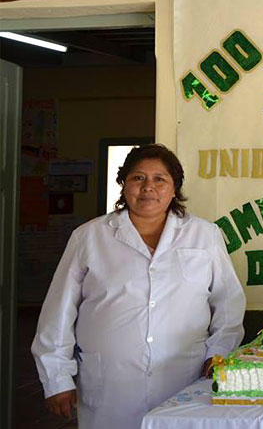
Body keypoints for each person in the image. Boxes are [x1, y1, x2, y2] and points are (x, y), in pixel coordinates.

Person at [32, 144, 246, 429]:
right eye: (138, 178)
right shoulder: (89, 237)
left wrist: (218, 352)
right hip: (110, 385)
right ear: (124, 185)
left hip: (185, 379)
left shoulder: (204, 235)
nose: (148, 187)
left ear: (174, 188)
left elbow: (228, 303)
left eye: (160, 179)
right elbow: (58, 312)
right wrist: (56, 378)